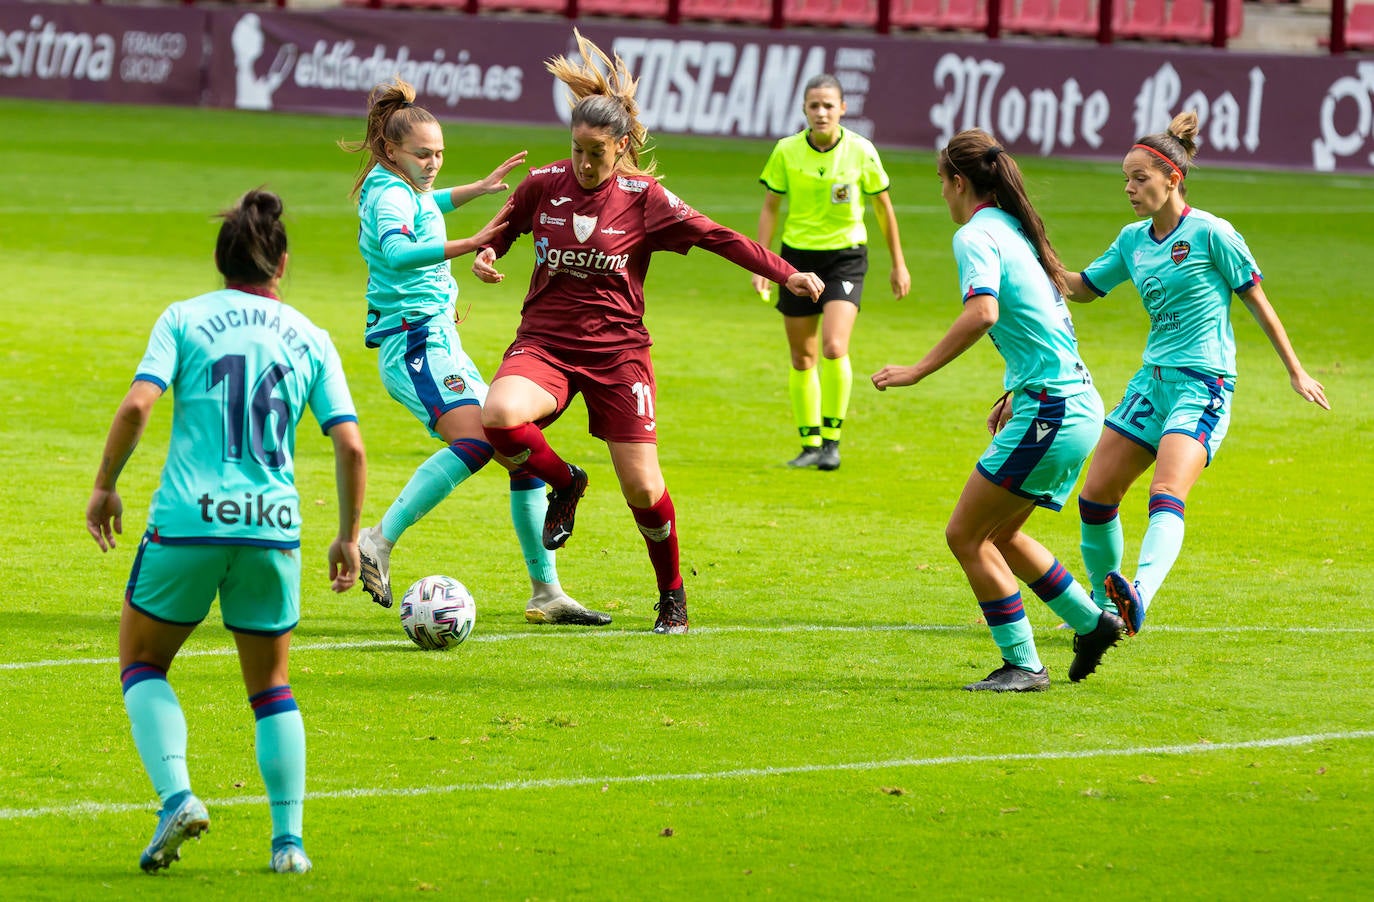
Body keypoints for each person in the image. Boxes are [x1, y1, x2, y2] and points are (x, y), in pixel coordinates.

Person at [472, 31, 824, 634]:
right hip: (546, 344)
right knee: (499, 416)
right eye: (578, 149)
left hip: (618, 357)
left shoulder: (644, 199)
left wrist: (786, 272)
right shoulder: (544, 184)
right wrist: (486, 255)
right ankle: (567, 482)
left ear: (623, 146)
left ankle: (672, 595)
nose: (585, 163)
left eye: (598, 152)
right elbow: (501, 231)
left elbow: (719, 236)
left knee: (642, 488)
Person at [85, 189, 366, 873]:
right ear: (283, 264)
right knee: (272, 687)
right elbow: (351, 445)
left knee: (143, 663)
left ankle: (177, 794)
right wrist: (348, 536)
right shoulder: (313, 336)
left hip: (188, 523)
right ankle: (289, 846)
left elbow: (137, 405)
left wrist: (104, 485)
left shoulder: (183, 318)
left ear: (222, 261)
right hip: (274, 528)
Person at [340, 78, 611, 626]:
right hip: (414, 341)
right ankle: (378, 539)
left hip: (435, 339)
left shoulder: (392, 182)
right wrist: (471, 243)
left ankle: (546, 592)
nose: (434, 163)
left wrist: (478, 188)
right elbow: (395, 250)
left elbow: (426, 204)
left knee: (521, 451)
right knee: (483, 442)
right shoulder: (391, 192)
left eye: (440, 153)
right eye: (423, 155)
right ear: (392, 151)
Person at [871, 129, 1124, 692]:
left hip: (1052, 411)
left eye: (941, 182)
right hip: (1071, 403)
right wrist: (1015, 390)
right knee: (1002, 534)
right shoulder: (1016, 229)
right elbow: (1042, 322)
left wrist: (916, 369)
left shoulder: (977, 235)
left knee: (965, 536)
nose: (940, 194)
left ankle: (1025, 665)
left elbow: (984, 312)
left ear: (959, 182)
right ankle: (1093, 622)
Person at [1064, 112, 1330, 635]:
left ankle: (1137, 595)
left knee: (1166, 492)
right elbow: (1083, 288)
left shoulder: (1212, 233)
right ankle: (1104, 606)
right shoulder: (1132, 240)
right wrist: (1034, 257)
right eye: (1126, 178)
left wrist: (1295, 370)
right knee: (1096, 496)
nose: (1130, 188)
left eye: (1140, 178)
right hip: (1151, 385)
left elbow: (1257, 301)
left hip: (1203, 386)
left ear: (1173, 179)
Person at [753, 73, 911, 471]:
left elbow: (882, 208)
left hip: (845, 257)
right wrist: (762, 262)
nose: (821, 112)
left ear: (842, 108)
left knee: (834, 347)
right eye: (813, 105)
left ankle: (832, 442)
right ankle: (809, 444)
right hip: (796, 260)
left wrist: (898, 263)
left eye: (828, 105)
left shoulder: (861, 151)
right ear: (804, 109)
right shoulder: (786, 151)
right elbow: (771, 206)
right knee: (802, 355)